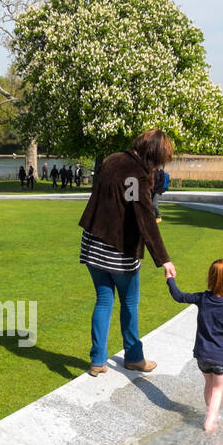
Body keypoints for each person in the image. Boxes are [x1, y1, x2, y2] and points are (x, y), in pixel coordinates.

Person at [78, 128, 177, 376]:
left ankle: (97, 361)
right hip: (118, 249)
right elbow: (143, 217)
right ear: (152, 155)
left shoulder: (112, 160)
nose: (157, 166)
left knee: (103, 300)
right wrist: (163, 259)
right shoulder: (136, 176)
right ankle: (133, 358)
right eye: (158, 161)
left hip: (92, 243)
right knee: (129, 303)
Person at [166, 259, 223, 431]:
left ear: (211, 278)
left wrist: (170, 279)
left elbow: (179, 296)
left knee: (209, 383)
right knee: (217, 389)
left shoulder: (202, 298)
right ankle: (210, 421)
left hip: (202, 355)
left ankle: (210, 412)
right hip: (221, 357)